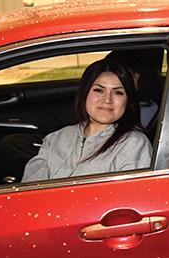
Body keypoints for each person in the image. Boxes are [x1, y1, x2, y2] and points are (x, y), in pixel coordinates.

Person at [21, 58, 152, 182]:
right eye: (99, 90)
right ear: (85, 93)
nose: (107, 100)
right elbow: (29, 193)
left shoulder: (134, 145)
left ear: (128, 101)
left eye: (118, 93)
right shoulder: (55, 139)